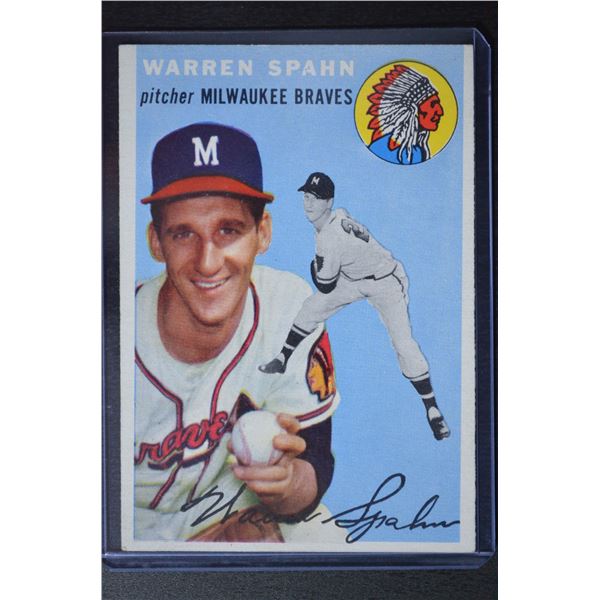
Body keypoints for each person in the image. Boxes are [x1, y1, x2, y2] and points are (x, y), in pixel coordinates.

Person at [134, 124, 341, 543]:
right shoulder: (112, 329)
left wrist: (285, 485)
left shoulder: (289, 308)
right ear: (156, 242)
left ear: (262, 233)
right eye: (184, 233)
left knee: (322, 536)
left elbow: (315, 463)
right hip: (125, 533)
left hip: (236, 507)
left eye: (228, 230)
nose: (208, 262)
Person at [259, 172, 450, 441]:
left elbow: (325, 284)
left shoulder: (330, 235)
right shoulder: (336, 218)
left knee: (403, 343)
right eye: (306, 196)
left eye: (316, 198)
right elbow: (329, 283)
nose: (309, 203)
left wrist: (315, 269)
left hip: (386, 280)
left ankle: (432, 408)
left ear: (329, 202)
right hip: (352, 278)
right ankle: (282, 359)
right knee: (312, 308)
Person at [366, 64, 444, 165]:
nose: (440, 112)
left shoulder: (417, 149)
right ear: (412, 110)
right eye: (432, 105)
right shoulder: (382, 148)